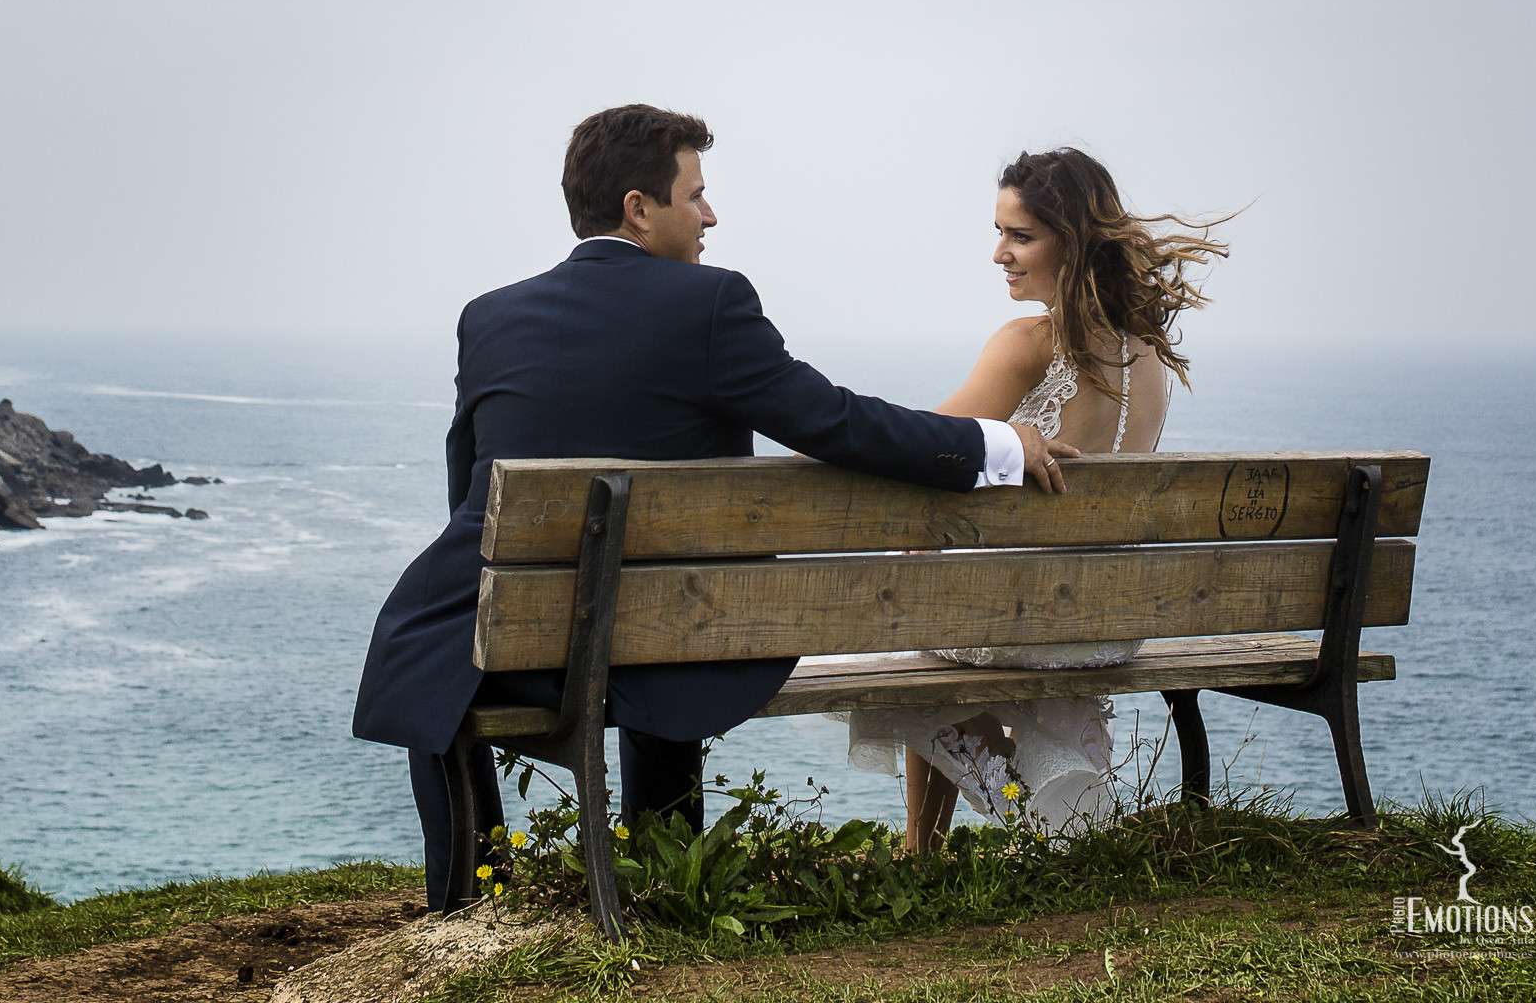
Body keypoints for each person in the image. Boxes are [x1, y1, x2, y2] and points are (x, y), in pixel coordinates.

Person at [351, 105, 1077, 910]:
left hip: (505, 630)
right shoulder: (709, 304)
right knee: (658, 630)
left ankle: (466, 898)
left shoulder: (488, 317)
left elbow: (467, 491)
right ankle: (661, 882)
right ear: (638, 207)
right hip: (670, 639)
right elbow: (835, 423)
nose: (710, 214)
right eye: (695, 195)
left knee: (422, 656)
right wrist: (996, 447)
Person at [831, 147, 1228, 845]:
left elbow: (918, 452)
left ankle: (1027, 810)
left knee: (891, 631)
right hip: (1108, 621)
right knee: (930, 594)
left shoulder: (1028, 344)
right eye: (1000, 233)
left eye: (1020, 236)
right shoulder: (1148, 354)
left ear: (1071, 244)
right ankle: (971, 832)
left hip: (1027, 615)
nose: (999, 254)